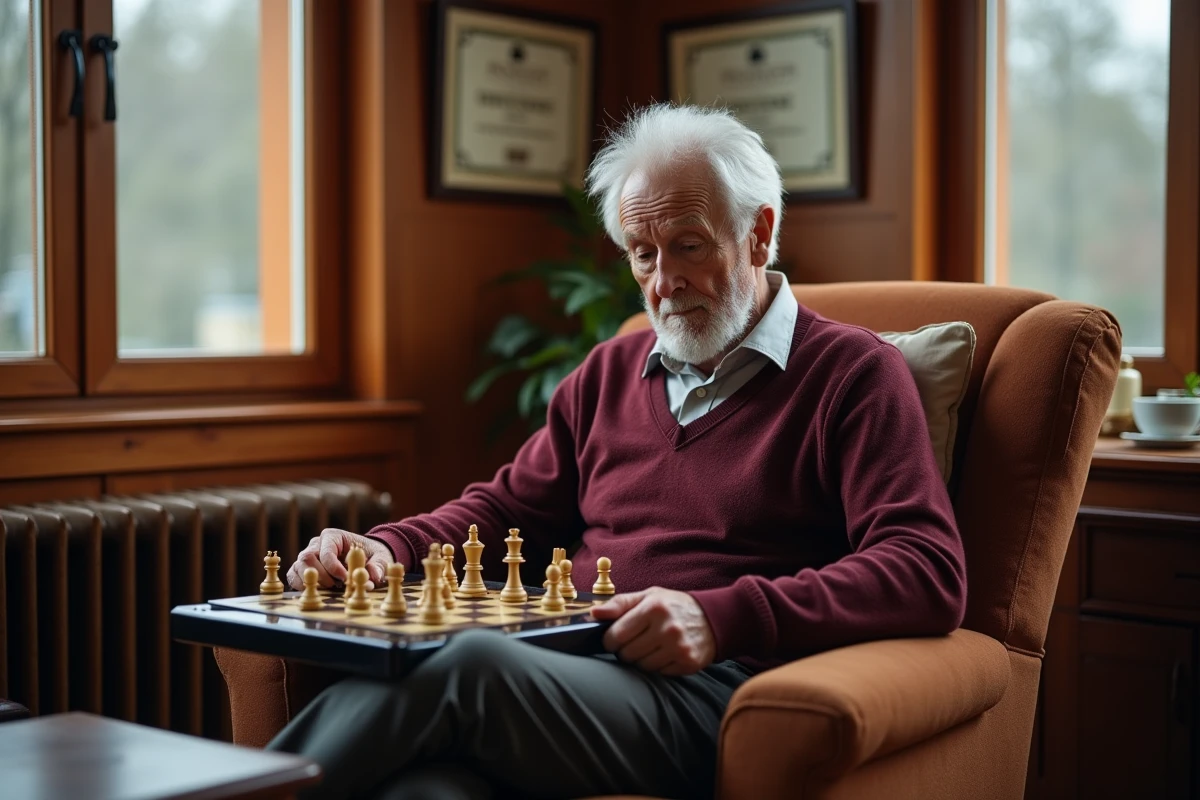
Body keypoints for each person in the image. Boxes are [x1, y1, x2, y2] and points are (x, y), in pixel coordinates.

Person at [269, 104, 967, 800]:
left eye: (689, 246)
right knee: (424, 793)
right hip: (571, 666)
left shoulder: (854, 375)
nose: (664, 282)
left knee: (470, 665)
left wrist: (719, 618)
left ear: (758, 235)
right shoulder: (607, 373)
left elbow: (925, 569)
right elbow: (507, 510)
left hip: (716, 690)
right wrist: (389, 547)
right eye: (643, 253)